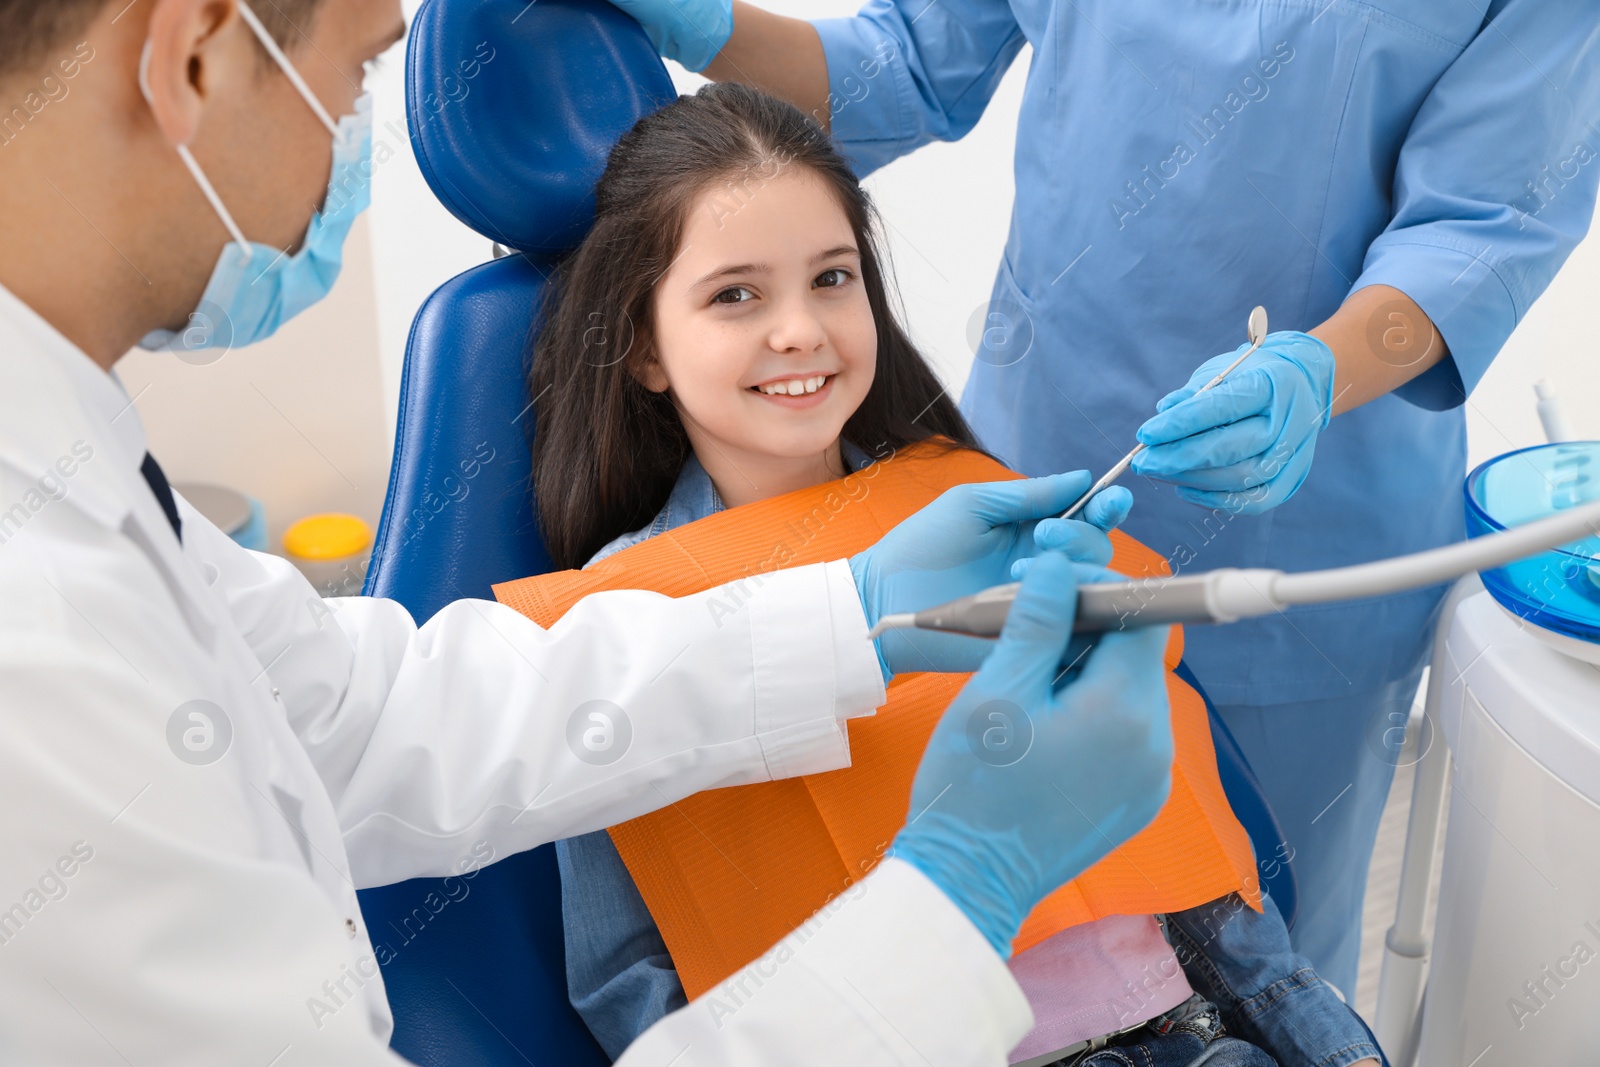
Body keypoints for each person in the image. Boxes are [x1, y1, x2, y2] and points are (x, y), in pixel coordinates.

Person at [0, 1, 1172, 1063]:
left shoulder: (72, 471)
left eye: (831, 278)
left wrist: (854, 608)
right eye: (355, 85)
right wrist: (960, 893)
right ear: (193, 56)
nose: (345, 153)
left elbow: (367, 712)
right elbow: (631, 978)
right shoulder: (42, 645)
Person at [602, 0, 1600, 994]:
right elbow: (902, 63)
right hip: (1031, 499)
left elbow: (1483, 224)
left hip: (1308, 539)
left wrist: (1316, 375)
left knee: (1261, 956)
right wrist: (699, 21)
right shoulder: (650, 595)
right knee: (1022, 959)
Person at [530, 81, 1381, 1067]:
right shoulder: (616, 621)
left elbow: (1184, 847)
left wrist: (1321, 1038)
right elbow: (630, 975)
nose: (800, 328)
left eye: (833, 277)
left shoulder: (973, 505)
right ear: (641, 344)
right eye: (735, 294)